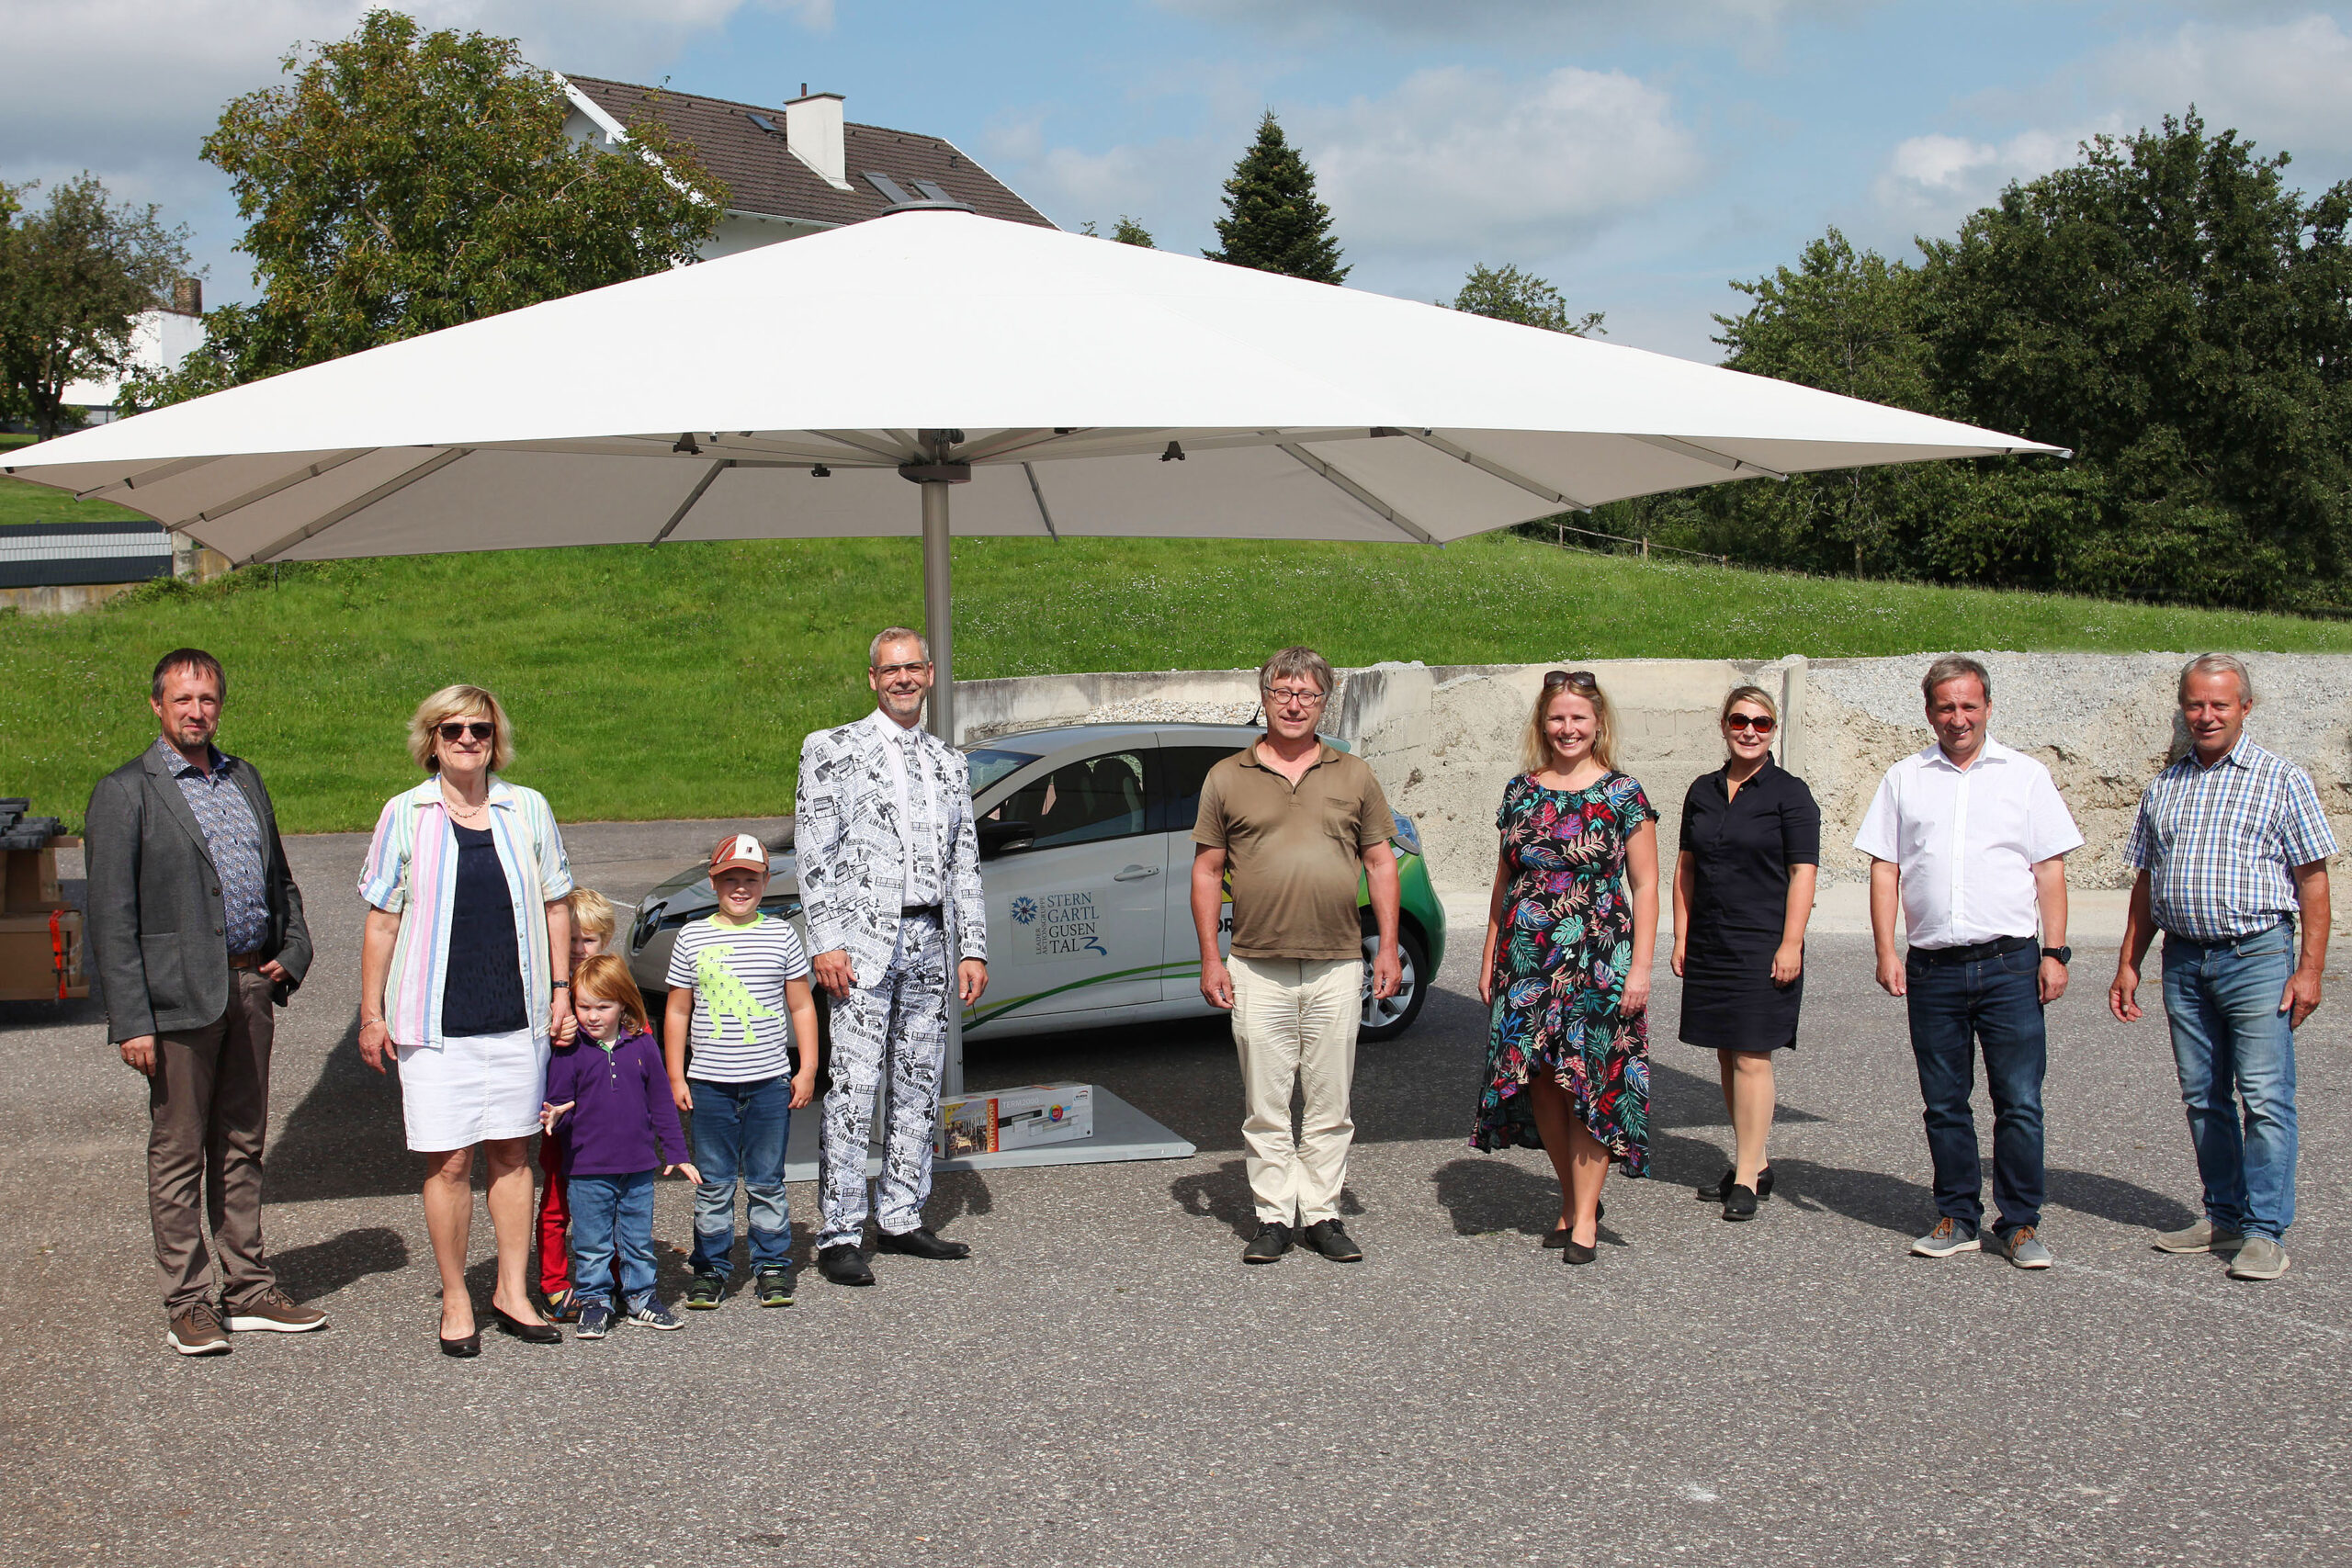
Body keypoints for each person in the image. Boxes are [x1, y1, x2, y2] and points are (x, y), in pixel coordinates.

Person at [85, 648, 323, 1356]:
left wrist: (294, 950)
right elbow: (111, 917)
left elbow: (278, 878)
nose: (196, 711)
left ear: (220, 705)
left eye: (208, 699)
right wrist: (132, 1019)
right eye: (183, 699)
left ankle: (248, 1288)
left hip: (251, 987)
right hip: (176, 1002)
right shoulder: (126, 791)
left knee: (244, 1142)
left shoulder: (242, 777)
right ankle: (188, 1300)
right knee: (180, 1150)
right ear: (157, 706)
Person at [356, 684, 577, 1356]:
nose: (467, 741)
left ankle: (512, 1290)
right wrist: (372, 1014)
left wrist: (563, 990)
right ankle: (457, 1296)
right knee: (449, 1160)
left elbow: (557, 905)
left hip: (518, 1015)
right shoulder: (406, 812)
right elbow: (382, 920)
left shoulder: (527, 807)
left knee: (512, 1153)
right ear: (431, 739)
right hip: (434, 1019)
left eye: (480, 730)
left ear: (494, 740)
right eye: (452, 729)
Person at [2109, 654, 2336, 1283]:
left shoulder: (2281, 779)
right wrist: (2130, 961)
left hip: (2257, 956)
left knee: (2264, 1097)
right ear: (2182, 708)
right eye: (2194, 704)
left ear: (2244, 707)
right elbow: (2147, 882)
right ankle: (2225, 1213)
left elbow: (2313, 882)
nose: (2205, 715)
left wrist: (2310, 969)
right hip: (2184, 958)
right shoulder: (2166, 785)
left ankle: (2265, 1232)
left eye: (2219, 704)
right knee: (2203, 1098)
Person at [1858, 655, 2081, 1269]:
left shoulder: (2026, 775)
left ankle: (2020, 1223)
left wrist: (2055, 953)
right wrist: (1886, 948)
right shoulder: (1905, 778)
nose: (1958, 717)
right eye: (1945, 706)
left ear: (1987, 707)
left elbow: (2050, 870)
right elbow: (1886, 868)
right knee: (1945, 1102)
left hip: (2011, 964)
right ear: (1929, 711)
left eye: (1968, 705)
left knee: (2019, 1100)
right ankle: (1957, 1213)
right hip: (1933, 968)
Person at [1195, 646, 1402, 1266]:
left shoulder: (1354, 774)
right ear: (1263, 698)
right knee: (1265, 1102)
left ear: (1323, 702)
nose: (1294, 704)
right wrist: (1211, 956)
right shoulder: (1227, 777)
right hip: (1256, 963)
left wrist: (1387, 945)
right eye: (1283, 691)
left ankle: (1322, 1213)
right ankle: (1271, 1216)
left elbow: (1380, 862)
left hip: (1339, 960)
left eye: (1308, 694)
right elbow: (1207, 871)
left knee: (1329, 1099)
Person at [797, 629, 989, 1286]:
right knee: (853, 1089)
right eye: (891, 669)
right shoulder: (831, 749)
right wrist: (823, 939)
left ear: (930, 674)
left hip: (930, 939)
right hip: (858, 944)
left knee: (917, 1086)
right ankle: (840, 1230)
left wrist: (972, 946)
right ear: (872, 677)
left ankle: (903, 1215)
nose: (903, 678)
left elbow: (965, 859)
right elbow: (814, 852)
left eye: (913, 667)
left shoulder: (950, 763)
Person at [1474, 669, 1658, 1266]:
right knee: (1540, 1080)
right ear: (1543, 723)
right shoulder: (1520, 791)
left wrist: (1641, 971)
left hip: (1599, 959)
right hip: (1526, 958)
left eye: (1579, 717)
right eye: (1558, 717)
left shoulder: (1623, 794)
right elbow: (1505, 879)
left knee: (1592, 1082)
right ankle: (1575, 1195)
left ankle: (1583, 1218)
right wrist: (1489, 955)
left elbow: (1647, 885)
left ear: (1598, 722)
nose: (1568, 727)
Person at [1673, 684, 1820, 1222]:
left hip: (1763, 941)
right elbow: (1685, 866)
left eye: (1761, 723)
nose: (1750, 731)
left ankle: (1745, 1178)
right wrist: (1682, 936)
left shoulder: (1790, 794)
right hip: (1711, 940)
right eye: (1740, 720)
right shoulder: (1703, 790)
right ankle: (1753, 1162)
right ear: (1725, 725)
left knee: (1754, 1055)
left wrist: (1791, 941)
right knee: (1726, 1053)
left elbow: (1804, 872)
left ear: (1773, 729)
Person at [662, 834, 819, 1308]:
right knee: (714, 1184)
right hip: (710, 1084)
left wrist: (807, 1067)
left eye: (750, 878)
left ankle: (772, 1266)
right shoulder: (692, 936)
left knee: (767, 1181)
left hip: (770, 1082)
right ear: (713, 882)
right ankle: (710, 1268)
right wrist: (675, 1075)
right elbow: (676, 1012)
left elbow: (802, 1006)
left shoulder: (781, 935)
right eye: (730, 878)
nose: (740, 887)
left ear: (766, 882)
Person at [543, 955, 698, 1339]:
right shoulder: (568, 1050)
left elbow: (662, 1103)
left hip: (638, 1166)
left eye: (603, 1006)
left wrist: (677, 1154)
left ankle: (642, 1298)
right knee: (592, 1242)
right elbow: (555, 1101)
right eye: (583, 1007)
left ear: (624, 1005)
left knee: (637, 1239)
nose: (592, 1016)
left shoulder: (643, 1045)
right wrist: (554, 1115)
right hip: (586, 1167)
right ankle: (595, 1302)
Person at [537, 886, 620, 1320]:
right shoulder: (548, 986)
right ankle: (554, 1280)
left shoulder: (611, 981)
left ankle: (613, 1275)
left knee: (612, 1200)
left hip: (607, 1115)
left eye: (586, 940)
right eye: (568, 939)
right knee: (556, 1199)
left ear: (604, 940)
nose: (576, 949)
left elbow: (635, 1031)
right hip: (563, 1114)